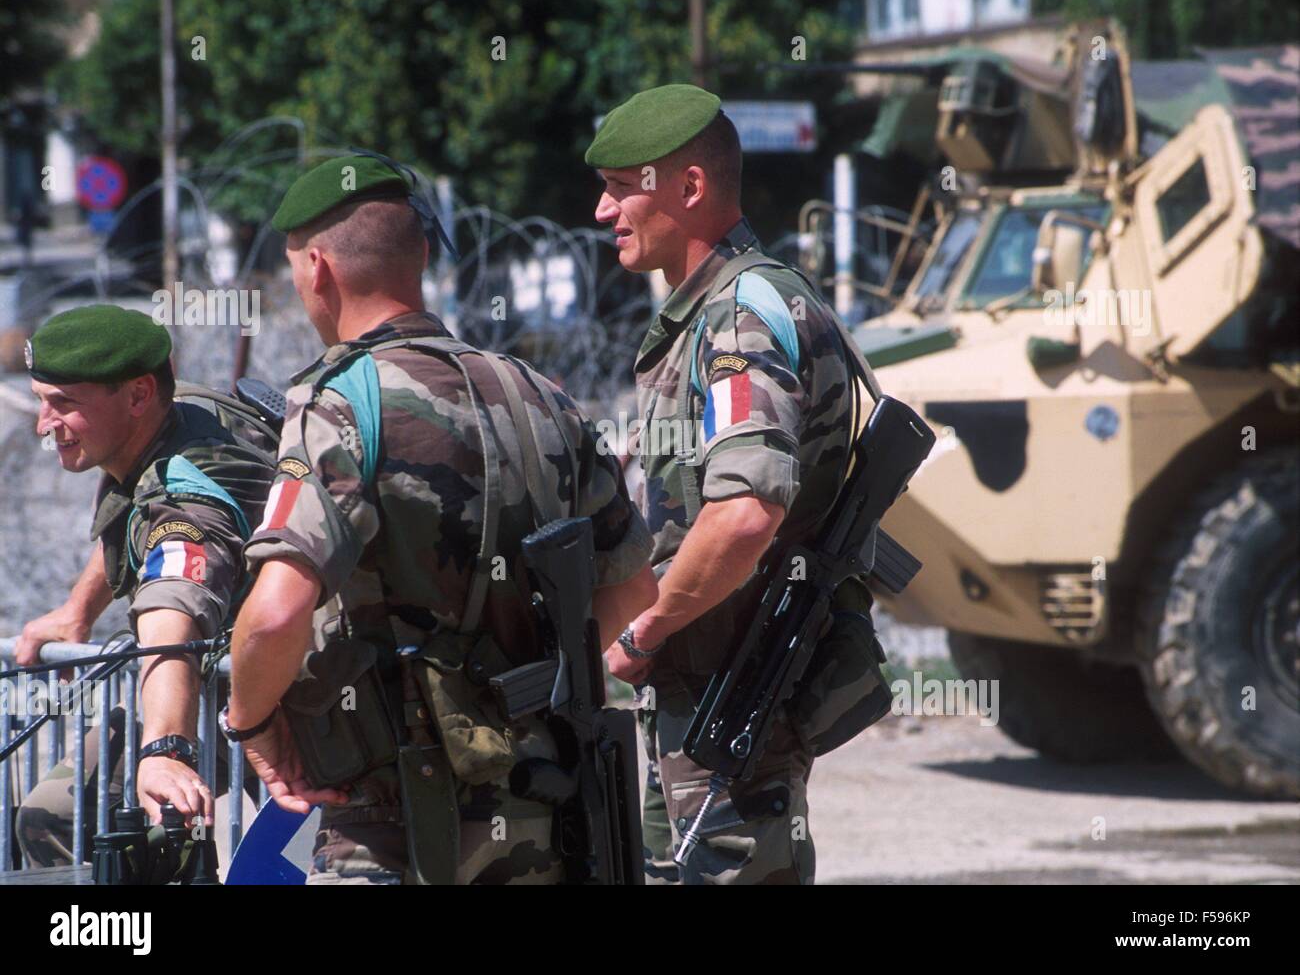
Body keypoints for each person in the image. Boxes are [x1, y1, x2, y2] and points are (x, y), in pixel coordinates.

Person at [225, 154, 656, 884]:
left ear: (317, 270)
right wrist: (506, 692)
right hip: (536, 812)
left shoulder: (336, 408)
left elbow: (273, 616)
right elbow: (633, 589)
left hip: (388, 824)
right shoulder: (541, 396)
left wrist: (252, 723)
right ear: (422, 254)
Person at [587, 84, 869, 884]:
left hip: (732, 684)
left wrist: (646, 631)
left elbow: (747, 512)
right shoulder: (716, 310)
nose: (603, 212)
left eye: (619, 188)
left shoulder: (742, 314)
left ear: (689, 189)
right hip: (705, 683)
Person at [16, 305, 274, 865]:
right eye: (40, 399)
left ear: (137, 395)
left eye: (64, 404)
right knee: (58, 813)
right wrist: (77, 612)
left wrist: (162, 751)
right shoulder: (175, 415)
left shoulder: (189, 499)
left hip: (282, 701)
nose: (43, 424)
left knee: (94, 820)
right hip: (233, 685)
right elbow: (130, 515)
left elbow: (173, 608)